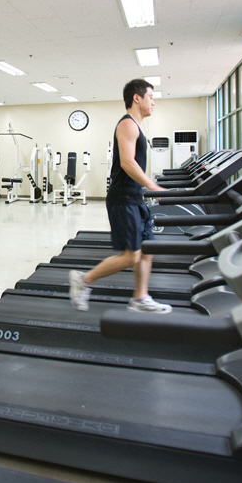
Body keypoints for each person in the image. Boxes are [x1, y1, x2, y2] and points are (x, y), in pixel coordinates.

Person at [69, 79, 171, 313]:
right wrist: (153, 187)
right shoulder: (127, 125)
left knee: (146, 249)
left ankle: (140, 298)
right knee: (131, 256)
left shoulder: (136, 126)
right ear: (137, 98)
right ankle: (83, 281)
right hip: (123, 198)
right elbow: (127, 163)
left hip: (135, 198)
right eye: (151, 97)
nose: (153, 102)